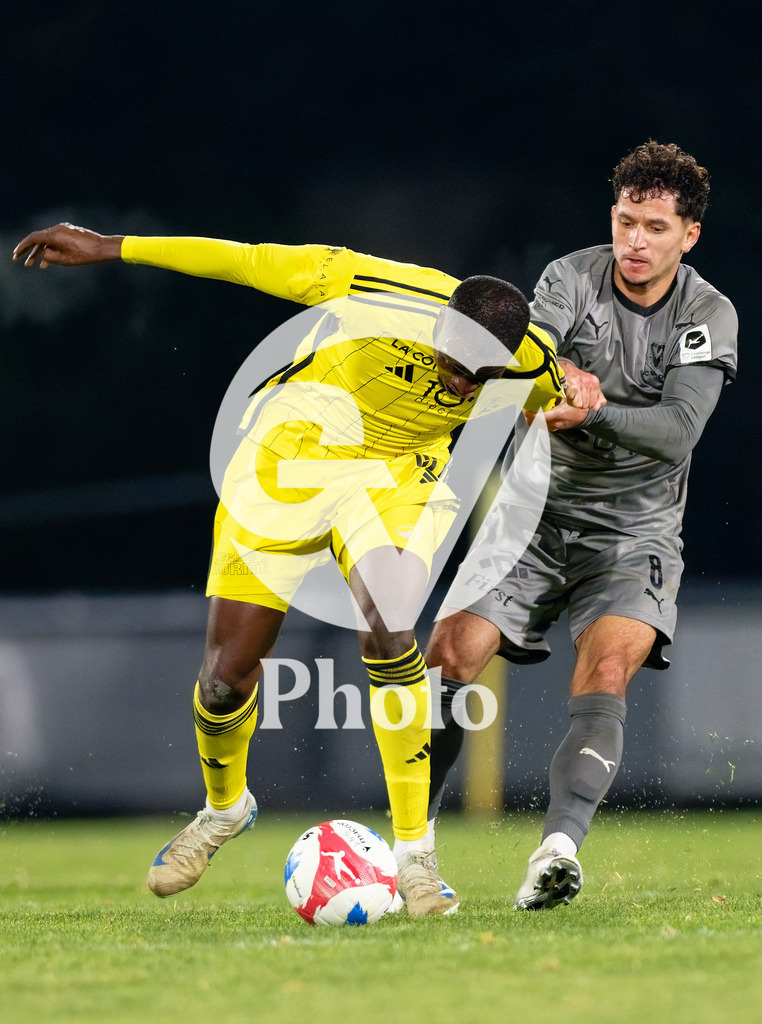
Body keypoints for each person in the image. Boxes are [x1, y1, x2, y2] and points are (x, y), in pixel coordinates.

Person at [13, 224, 567, 915]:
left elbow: (570, 404)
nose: (463, 383)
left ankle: (415, 855)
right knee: (224, 680)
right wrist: (114, 247)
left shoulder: (531, 359)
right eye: (457, 363)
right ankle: (224, 808)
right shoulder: (370, 286)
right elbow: (242, 260)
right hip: (289, 460)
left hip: (395, 480)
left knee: (392, 631)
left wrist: (584, 404)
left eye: (481, 375)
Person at [423, 140, 738, 910]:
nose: (635, 240)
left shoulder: (707, 312)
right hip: (531, 516)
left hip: (636, 531)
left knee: (603, 674)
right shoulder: (569, 276)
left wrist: (596, 407)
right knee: (450, 659)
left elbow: (677, 432)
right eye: (626, 220)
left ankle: (556, 852)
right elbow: (532, 349)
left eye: (655, 228)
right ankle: (413, 853)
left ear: (688, 235)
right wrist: (543, 372)